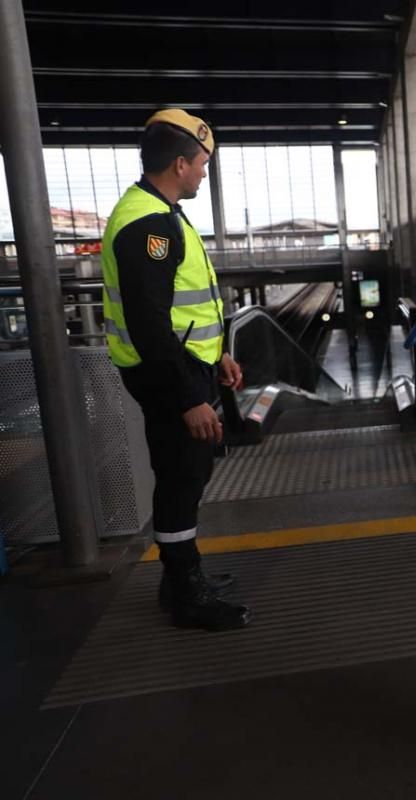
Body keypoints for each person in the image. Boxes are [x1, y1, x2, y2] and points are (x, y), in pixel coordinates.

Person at [101, 109, 251, 632]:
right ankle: (185, 592)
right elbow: (148, 324)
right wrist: (188, 397)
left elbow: (183, 308)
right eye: (203, 164)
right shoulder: (148, 224)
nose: (205, 174)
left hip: (185, 365)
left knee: (188, 474)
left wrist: (218, 356)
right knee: (181, 478)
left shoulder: (159, 210)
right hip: (167, 374)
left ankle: (181, 576)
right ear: (180, 163)